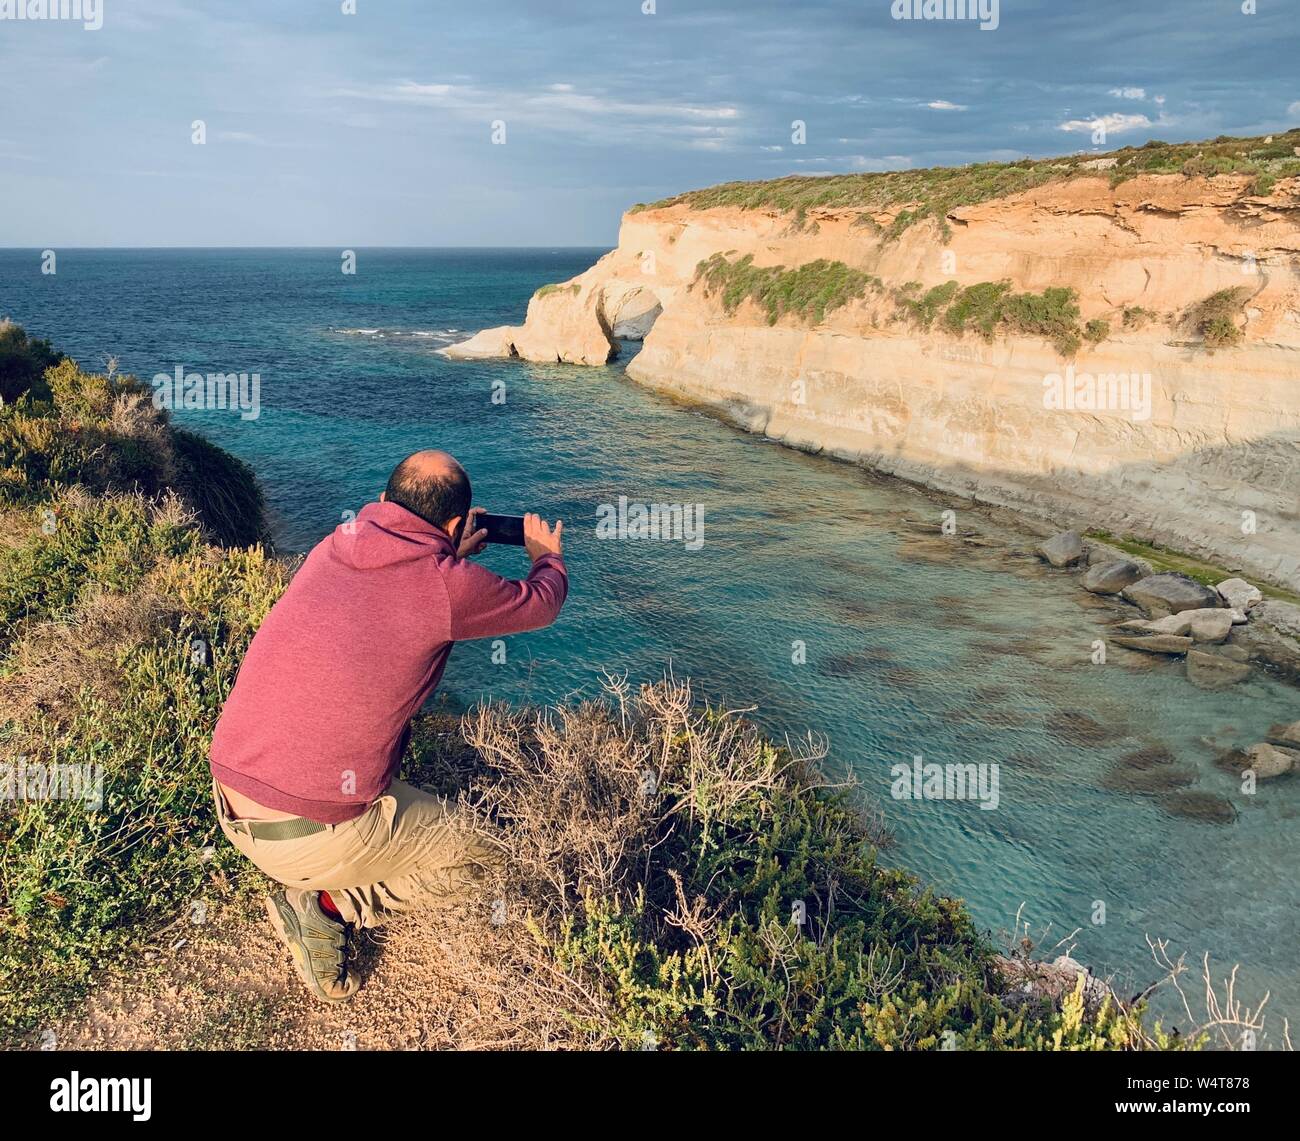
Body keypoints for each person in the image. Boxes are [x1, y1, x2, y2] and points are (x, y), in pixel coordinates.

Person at [208, 449, 567, 1001]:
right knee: (495, 855)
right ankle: (327, 904)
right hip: (305, 837)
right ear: (454, 524)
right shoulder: (448, 586)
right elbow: (540, 604)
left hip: (232, 797)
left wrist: (448, 552)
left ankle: (319, 874)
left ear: (382, 503)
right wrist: (547, 557)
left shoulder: (337, 542)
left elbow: (399, 585)